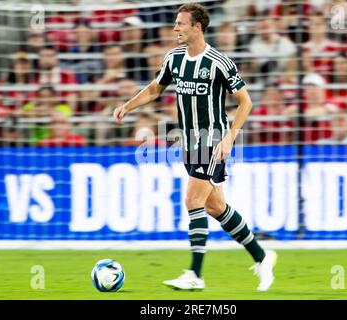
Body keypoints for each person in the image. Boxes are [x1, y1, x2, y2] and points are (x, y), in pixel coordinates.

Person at [113, 3, 277, 291]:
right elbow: (155, 88)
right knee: (216, 207)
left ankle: (195, 275)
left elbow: (246, 102)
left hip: (212, 140)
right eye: (176, 24)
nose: (175, 28)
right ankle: (262, 258)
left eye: (180, 23)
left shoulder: (218, 62)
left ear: (197, 27)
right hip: (188, 141)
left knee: (192, 201)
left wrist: (229, 138)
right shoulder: (174, 58)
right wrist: (127, 106)